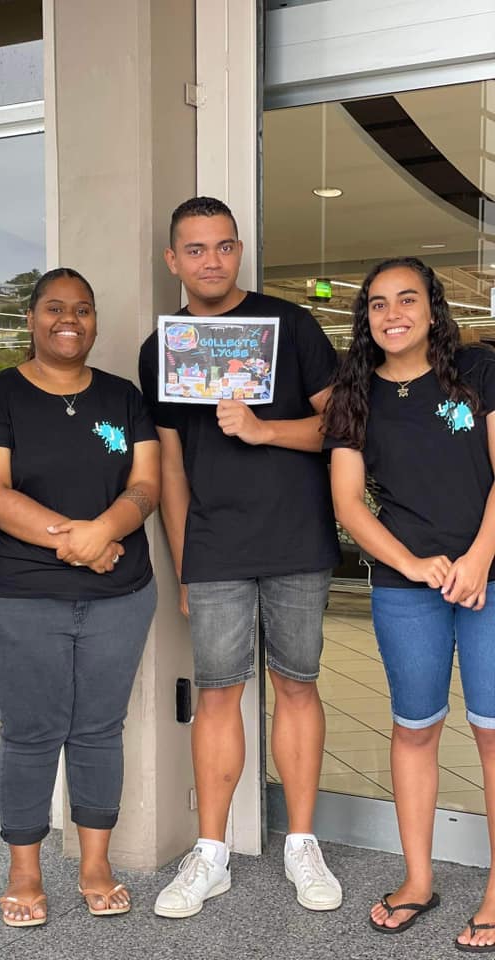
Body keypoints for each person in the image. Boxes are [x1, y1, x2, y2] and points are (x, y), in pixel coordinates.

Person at [139, 196, 342, 918]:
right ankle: (212, 853)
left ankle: (302, 845)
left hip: (297, 535)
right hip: (215, 546)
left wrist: (264, 431)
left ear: (239, 251)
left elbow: (339, 426)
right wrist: (185, 559)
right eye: (196, 249)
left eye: (224, 246)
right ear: (174, 259)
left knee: (297, 685)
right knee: (218, 693)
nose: (212, 261)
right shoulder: (164, 347)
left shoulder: (291, 325)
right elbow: (170, 467)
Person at [0, 267, 159, 927]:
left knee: (100, 729)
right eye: (54, 308)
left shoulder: (123, 397)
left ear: (94, 320)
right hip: (20, 597)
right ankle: (24, 871)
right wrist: (79, 541)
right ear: (31, 318)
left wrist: (106, 531)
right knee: (31, 732)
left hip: (120, 595)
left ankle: (95, 865)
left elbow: (147, 484)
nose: (68, 320)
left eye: (82, 309)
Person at [326, 257, 495, 951]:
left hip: (490, 578)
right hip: (406, 589)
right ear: (365, 315)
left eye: (407, 299)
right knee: (416, 729)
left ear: (432, 308)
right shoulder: (355, 391)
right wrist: (412, 564)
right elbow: (348, 503)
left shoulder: (478, 370)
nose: (392, 314)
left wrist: (480, 557)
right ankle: (419, 879)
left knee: (492, 734)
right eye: (377, 303)